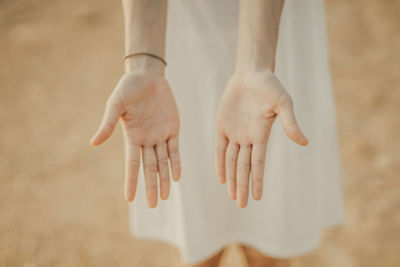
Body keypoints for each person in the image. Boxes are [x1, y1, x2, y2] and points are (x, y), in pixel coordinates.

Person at [90, 0, 345, 266]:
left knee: (271, 241)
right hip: (181, 37)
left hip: (275, 29)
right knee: (197, 247)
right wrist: (145, 63)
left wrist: (255, 66)